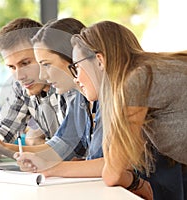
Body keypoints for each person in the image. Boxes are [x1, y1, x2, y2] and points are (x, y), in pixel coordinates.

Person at [70, 20, 187, 199]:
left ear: (99, 60)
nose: (76, 78)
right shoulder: (149, 71)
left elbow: (113, 174)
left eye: (76, 67)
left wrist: (136, 184)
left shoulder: (137, 81)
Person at [0, 18, 88, 162]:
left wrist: (4, 147)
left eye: (25, 63)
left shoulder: (73, 84)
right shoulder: (23, 86)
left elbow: (67, 150)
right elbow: (0, 136)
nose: (19, 76)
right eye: (12, 67)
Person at [14, 18, 104, 177]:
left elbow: (112, 165)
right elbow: (63, 145)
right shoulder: (80, 100)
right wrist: (1, 148)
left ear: (74, 56)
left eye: (46, 64)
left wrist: (51, 168)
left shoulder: (112, 97)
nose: (41, 75)